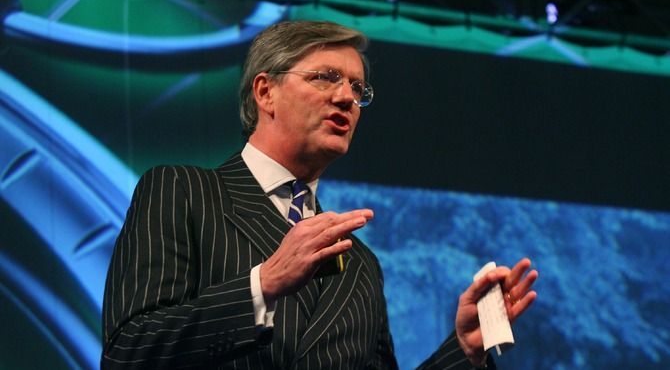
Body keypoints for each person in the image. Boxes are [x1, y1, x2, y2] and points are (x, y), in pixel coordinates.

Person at [101, 20, 538, 369]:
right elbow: (129, 351)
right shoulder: (182, 192)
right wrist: (264, 284)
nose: (346, 97)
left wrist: (463, 350)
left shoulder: (360, 265)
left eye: (357, 88)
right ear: (265, 91)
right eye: (325, 78)